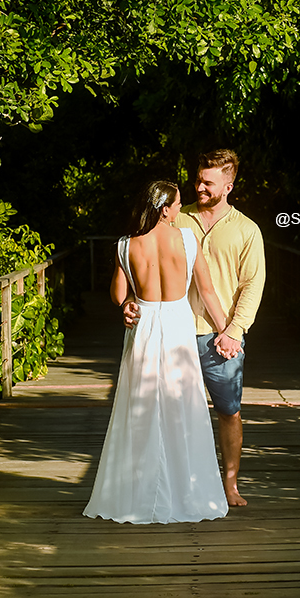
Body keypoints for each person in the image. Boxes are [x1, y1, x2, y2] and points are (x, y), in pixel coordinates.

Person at [83, 181, 235, 524]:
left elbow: (119, 294)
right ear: (164, 208)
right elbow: (208, 292)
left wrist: (127, 306)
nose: (182, 209)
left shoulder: (125, 245)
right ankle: (189, 493)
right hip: (178, 327)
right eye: (179, 204)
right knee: (183, 408)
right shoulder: (187, 240)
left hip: (145, 328)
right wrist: (227, 332)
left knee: (141, 409)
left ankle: (136, 494)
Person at [123, 150, 265, 508]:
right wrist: (128, 302)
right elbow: (137, 260)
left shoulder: (247, 231)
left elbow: (253, 284)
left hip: (221, 337)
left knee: (229, 410)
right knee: (172, 410)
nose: (199, 186)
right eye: (198, 180)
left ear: (228, 186)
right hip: (174, 332)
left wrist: (233, 331)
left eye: (208, 182)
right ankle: (178, 486)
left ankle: (230, 485)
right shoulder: (173, 218)